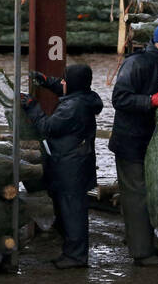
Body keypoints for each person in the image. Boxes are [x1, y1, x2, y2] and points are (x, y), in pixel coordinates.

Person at [109, 19, 158, 267]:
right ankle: (141, 252)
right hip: (131, 142)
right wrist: (149, 101)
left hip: (152, 143)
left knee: (150, 194)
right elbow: (119, 98)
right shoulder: (137, 63)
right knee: (137, 195)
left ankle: (140, 241)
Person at [22, 63, 103, 269]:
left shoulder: (72, 107)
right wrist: (48, 82)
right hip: (76, 162)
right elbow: (69, 87)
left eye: (65, 80)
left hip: (71, 166)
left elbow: (47, 127)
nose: (62, 82)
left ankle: (76, 256)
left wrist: (32, 106)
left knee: (72, 211)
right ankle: (72, 251)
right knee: (69, 208)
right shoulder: (84, 98)